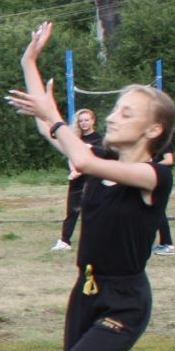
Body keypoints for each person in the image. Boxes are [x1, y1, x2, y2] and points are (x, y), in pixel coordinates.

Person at [10, 22, 174, 351]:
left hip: (123, 302)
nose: (113, 116)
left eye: (127, 112)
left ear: (152, 131)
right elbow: (54, 132)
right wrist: (30, 65)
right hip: (85, 295)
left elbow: (73, 150)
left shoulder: (153, 175)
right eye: (116, 109)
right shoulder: (101, 162)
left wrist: (58, 123)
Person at [54, 108, 101, 251]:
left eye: (87, 120)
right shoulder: (75, 139)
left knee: (94, 211)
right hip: (77, 179)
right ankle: (65, 240)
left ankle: (96, 240)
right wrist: (74, 170)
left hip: (92, 178)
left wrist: (82, 169)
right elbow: (71, 156)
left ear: (93, 120)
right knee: (72, 210)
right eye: (81, 121)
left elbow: (99, 158)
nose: (84, 123)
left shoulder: (100, 139)